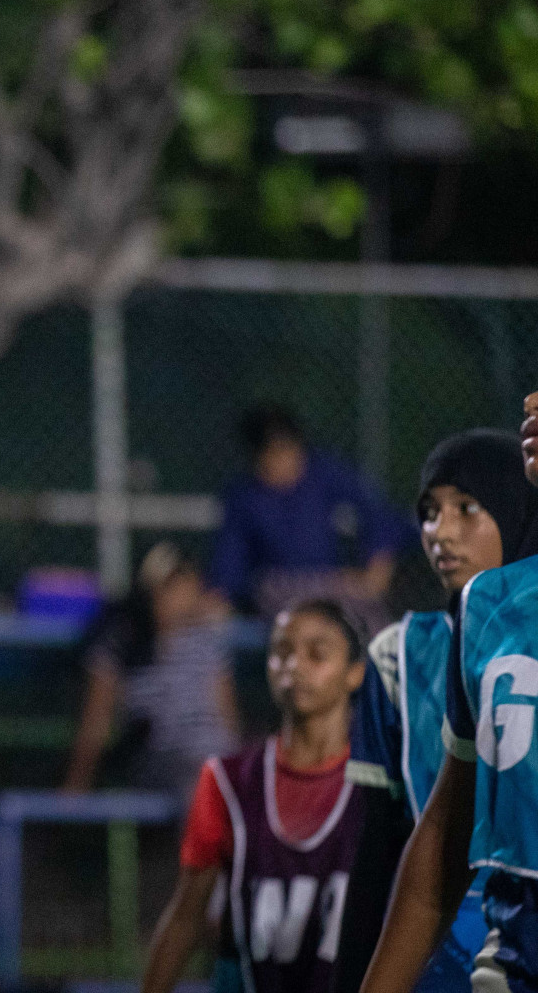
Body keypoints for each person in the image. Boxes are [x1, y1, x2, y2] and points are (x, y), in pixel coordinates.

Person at [333, 430, 538, 993]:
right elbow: (426, 841)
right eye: (429, 512)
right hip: (496, 957)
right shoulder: (466, 624)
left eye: (466, 509)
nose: (441, 532)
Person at [142, 600, 368, 993]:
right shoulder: (228, 781)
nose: (294, 666)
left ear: (355, 672)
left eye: (316, 654)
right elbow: (186, 917)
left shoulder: (381, 783)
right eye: (282, 652)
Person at [209, 405, 414, 633]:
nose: (282, 461)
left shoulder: (324, 473)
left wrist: (379, 560)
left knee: (373, 620)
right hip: (279, 588)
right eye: (271, 453)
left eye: (287, 449)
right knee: (305, 621)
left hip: (334, 584)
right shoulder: (245, 495)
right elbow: (230, 558)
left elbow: (379, 513)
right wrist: (221, 594)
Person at [63, 542, 240, 803]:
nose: (181, 598)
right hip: (164, 758)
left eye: (187, 587)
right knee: (199, 787)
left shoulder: (205, 641)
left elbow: (228, 719)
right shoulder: (120, 639)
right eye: (171, 587)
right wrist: (77, 784)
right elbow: (96, 720)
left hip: (212, 760)